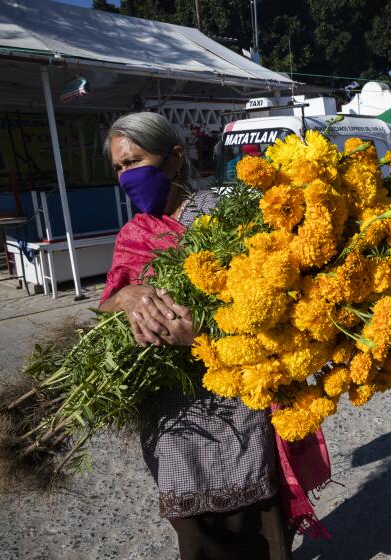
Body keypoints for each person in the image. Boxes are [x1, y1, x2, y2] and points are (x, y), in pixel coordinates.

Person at [98, 112, 328, 560]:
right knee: (197, 537)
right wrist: (126, 297)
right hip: (172, 416)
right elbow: (107, 301)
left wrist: (203, 331)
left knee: (255, 528)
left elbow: (276, 302)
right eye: (119, 168)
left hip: (237, 400)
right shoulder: (134, 234)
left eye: (135, 161)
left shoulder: (225, 213)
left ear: (175, 159)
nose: (126, 176)